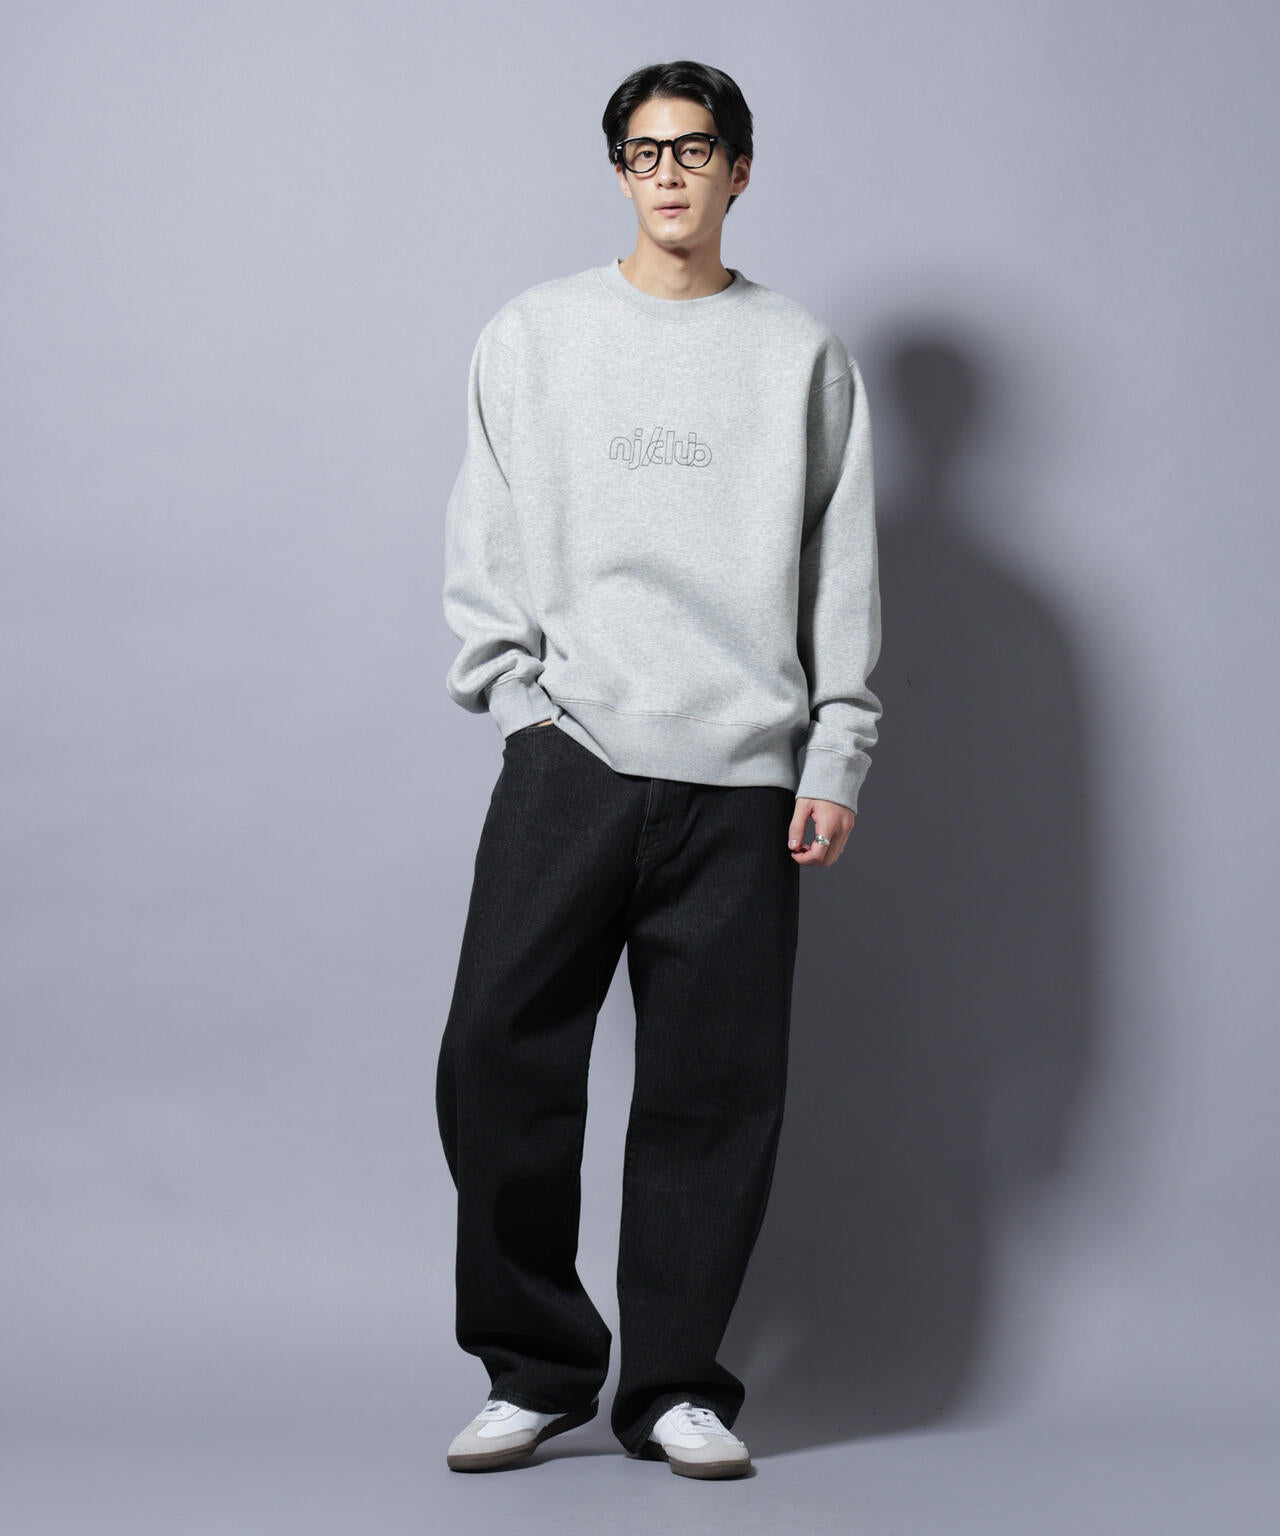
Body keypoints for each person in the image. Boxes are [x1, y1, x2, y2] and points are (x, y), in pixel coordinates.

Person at [435, 58, 882, 1480]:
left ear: (740, 169)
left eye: (696, 149)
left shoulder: (800, 353)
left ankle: (677, 1382)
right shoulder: (535, 334)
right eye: (645, 151)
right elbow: (488, 532)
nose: (670, 173)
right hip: (570, 755)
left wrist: (835, 751)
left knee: (714, 1090)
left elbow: (840, 567)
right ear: (620, 171)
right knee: (496, 1060)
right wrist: (519, 704)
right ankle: (535, 1368)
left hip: (745, 776)